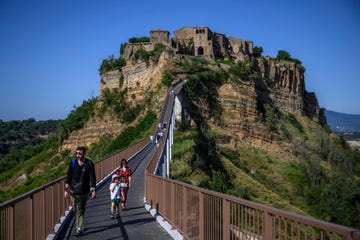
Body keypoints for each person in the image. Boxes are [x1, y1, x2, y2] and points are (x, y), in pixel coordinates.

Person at [64, 146, 96, 236]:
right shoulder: (73, 163)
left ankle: (79, 226)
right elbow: (68, 176)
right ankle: (79, 227)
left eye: (80, 153)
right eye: (77, 153)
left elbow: (92, 177)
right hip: (73, 191)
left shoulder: (89, 163)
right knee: (77, 209)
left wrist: (93, 189)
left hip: (84, 191)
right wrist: (66, 190)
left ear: (84, 153)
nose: (78, 155)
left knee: (82, 209)